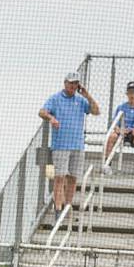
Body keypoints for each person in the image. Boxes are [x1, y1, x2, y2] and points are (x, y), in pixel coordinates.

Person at [39, 71, 100, 212]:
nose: (73, 85)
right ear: (65, 83)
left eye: (76, 83)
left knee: (73, 177)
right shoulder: (55, 98)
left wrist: (87, 94)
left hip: (77, 145)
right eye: (71, 83)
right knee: (59, 177)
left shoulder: (81, 100)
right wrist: (51, 118)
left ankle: (68, 206)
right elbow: (41, 111)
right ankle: (58, 208)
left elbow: (96, 111)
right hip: (60, 145)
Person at [102, 81, 134, 175]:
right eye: (130, 92)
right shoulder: (121, 107)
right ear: (127, 94)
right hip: (122, 133)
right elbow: (115, 124)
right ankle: (107, 164)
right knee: (111, 137)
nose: (132, 95)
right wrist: (120, 130)